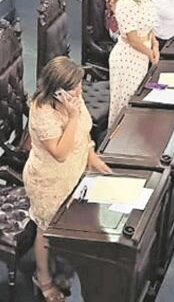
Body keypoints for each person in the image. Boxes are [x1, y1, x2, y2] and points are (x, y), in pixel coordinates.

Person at [23, 56, 112, 302]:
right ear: (57, 91)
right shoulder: (42, 112)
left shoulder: (73, 97)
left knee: (71, 224)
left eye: (79, 87)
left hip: (75, 172)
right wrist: (72, 116)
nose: (79, 92)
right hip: (48, 181)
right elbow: (60, 153)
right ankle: (43, 280)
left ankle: (64, 268)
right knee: (47, 230)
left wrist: (93, 159)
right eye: (74, 89)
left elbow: (84, 131)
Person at [108, 0, 158, 125]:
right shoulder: (125, 4)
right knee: (127, 104)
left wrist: (155, 44)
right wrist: (150, 53)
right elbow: (133, 39)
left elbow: (149, 25)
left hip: (143, 54)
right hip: (128, 59)